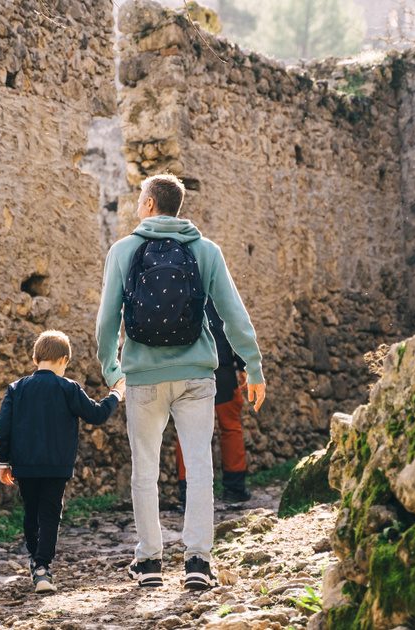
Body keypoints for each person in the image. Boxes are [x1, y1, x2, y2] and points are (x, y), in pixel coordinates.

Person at [96, 173, 266, 591]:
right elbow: (233, 316)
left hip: (143, 379)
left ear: (151, 205)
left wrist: (111, 369)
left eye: (140, 199)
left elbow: (106, 321)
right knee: (201, 466)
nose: (138, 205)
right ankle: (197, 562)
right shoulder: (206, 251)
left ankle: (149, 562)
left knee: (145, 470)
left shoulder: (122, 250)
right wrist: (255, 366)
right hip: (195, 376)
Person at [0, 330, 126, 594]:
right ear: (65, 359)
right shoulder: (69, 388)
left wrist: (3, 461)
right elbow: (97, 415)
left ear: (35, 358)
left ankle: (35, 558)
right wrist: (116, 395)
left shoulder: (16, 389)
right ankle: (43, 566)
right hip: (57, 466)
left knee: (31, 512)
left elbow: (3, 427)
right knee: (50, 513)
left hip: (25, 466)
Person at [173, 302, 251, 511]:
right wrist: (243, 365)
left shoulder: (176, 292)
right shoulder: (218, 294)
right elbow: (235, 328)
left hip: (188, 372)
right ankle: (235, 488)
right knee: (230, 428)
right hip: (222, 370)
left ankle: (188, 492)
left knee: (187, 433)